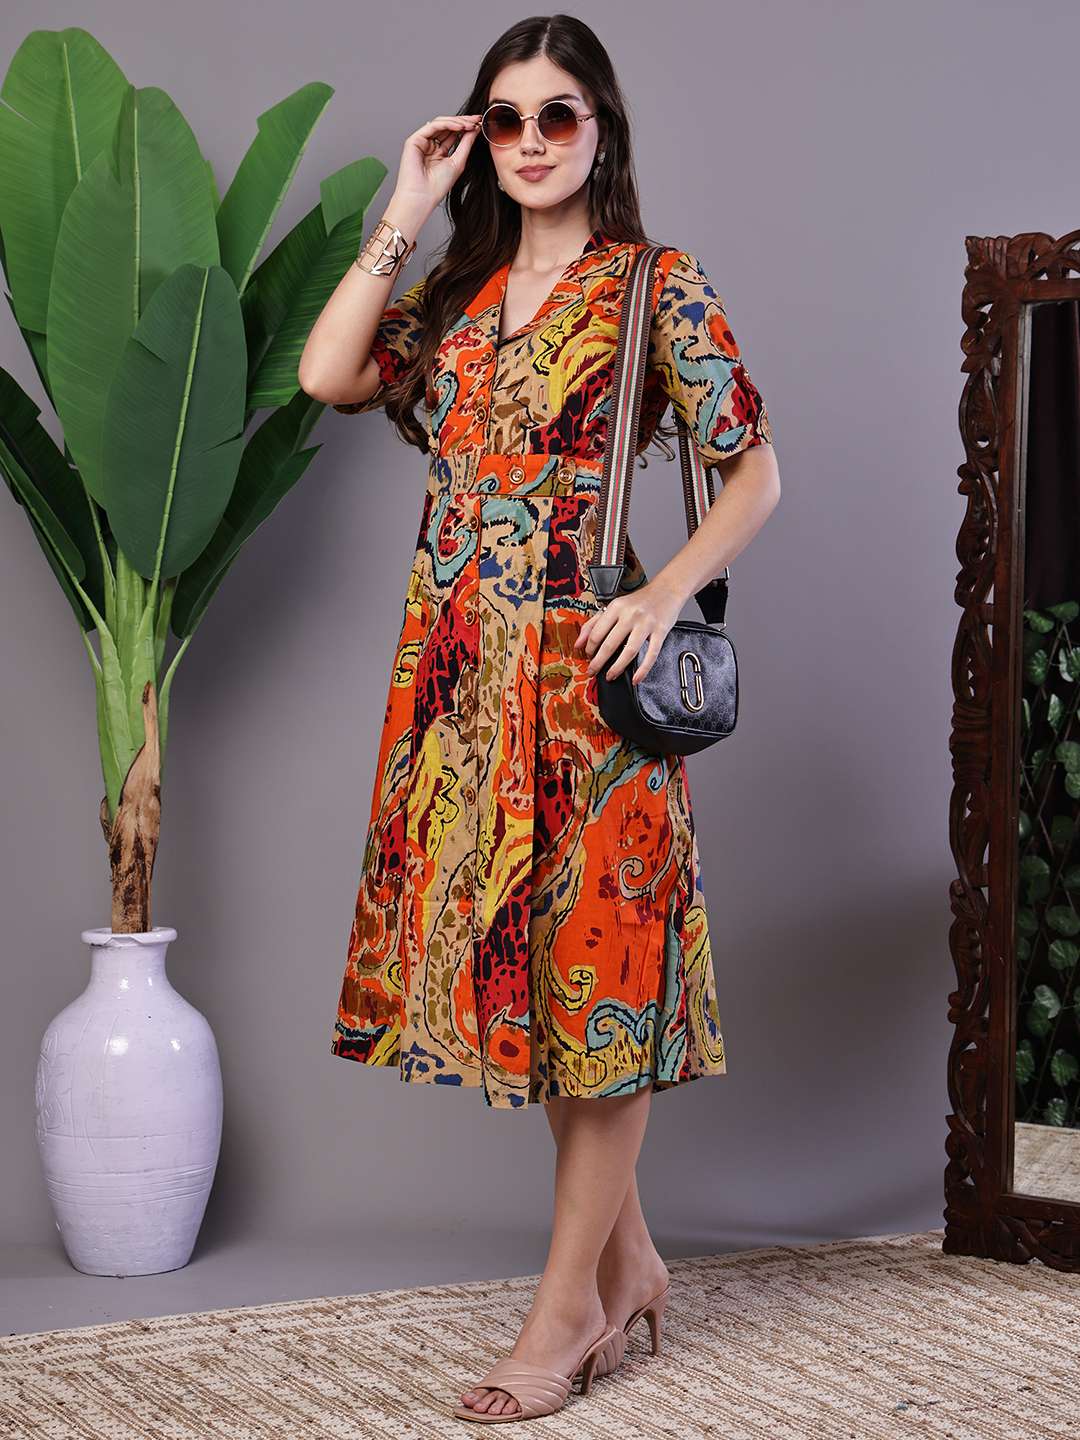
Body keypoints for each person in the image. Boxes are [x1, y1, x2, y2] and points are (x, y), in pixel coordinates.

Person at [299, 12, 781, 1424]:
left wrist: (670, 593)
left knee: (599, 982)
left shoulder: (654, 286)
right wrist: (408, 207)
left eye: (555, 115)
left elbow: (753, 471)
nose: (527, 142)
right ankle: (630, 1270)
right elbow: (328, 373)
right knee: (541, 988)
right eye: (502, 120)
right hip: (458, 688)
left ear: (600, 130)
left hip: (588, 689)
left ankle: (565, 1313)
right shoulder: (455, 299)